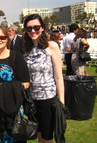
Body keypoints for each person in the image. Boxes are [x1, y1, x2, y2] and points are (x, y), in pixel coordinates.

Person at [22, 14, 65, 143]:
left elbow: (58, 76)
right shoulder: (25, 48)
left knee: (47, 139)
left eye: (36, 27)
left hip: (47, 100)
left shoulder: (52, 46)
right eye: (29, 28)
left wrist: (61, 101)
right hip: (31, 101)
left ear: (42, 28)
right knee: (38, 136)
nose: (33, 31)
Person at [0, 26, 30, 143]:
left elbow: (25, 83)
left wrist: (2, 90)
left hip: (13, 109)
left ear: (7, 39)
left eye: (2, 37)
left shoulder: (16, 56)